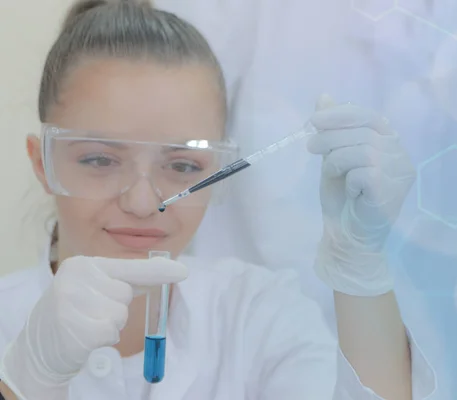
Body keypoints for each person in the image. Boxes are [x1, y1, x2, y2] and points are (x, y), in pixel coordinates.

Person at [0, 0, 418, 399]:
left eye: (182, 166)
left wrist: (361, 270)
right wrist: (28, 379)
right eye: (100, 159)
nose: (144, 203)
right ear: (43, 164)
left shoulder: (254, 313)